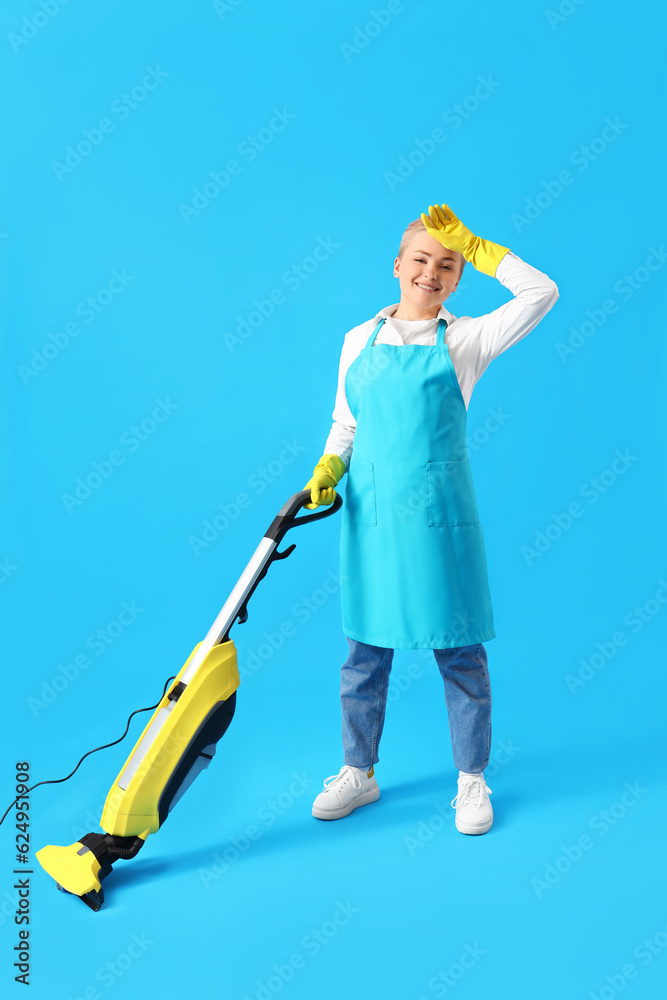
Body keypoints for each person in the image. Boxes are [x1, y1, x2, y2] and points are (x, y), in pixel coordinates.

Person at [303, 203, 559, 835]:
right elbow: (346, 426)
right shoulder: (356, 341)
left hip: (440, 525)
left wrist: (480, 247)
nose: (431, 271)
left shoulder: (467, 339)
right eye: (420, 259)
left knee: (461, 655)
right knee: (364, 654)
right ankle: (358, 773)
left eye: (447, 264)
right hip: (373, 523)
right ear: (396, 266)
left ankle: (472, 782)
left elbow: (541, 292)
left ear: (458, 277)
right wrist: (328, 469)